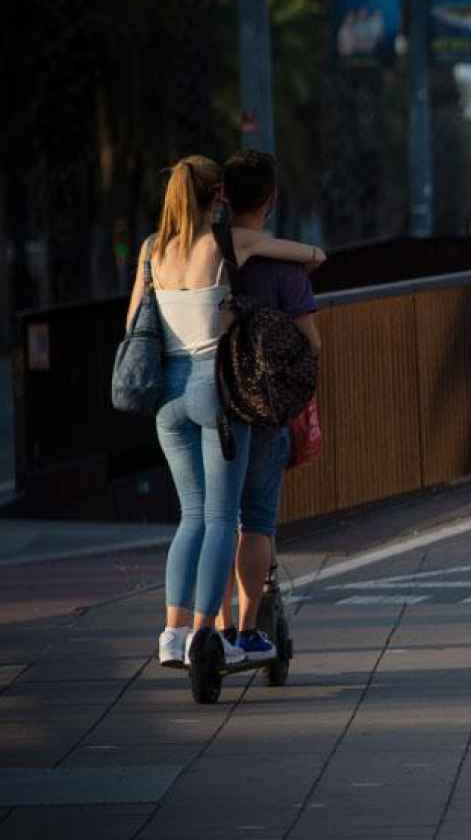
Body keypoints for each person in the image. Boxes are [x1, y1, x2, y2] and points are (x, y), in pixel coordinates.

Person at [131, 156, 325, 671]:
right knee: (222, 518)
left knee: (189, 518)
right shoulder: (224, 243)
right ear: (217, 196)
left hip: (166, 395)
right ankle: (205, 637)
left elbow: (134, 321)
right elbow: (309, 253)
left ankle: (171, 634)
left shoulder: (152, 249)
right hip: (212, 387)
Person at [209, 150, 323, 664]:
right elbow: (312, 342)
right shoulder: (283, 266)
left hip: (208, 401)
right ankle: (249, 630)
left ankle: (212, 626)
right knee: (256, 519)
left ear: (224, 196)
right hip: (262, 407)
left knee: (214, 518)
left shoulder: (200, 253)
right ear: (271, 201)